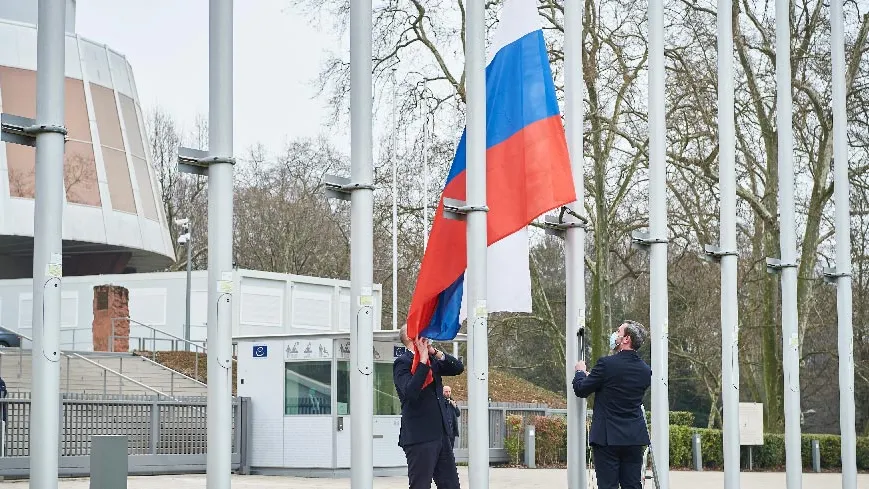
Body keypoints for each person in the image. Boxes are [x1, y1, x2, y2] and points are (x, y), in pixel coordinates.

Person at [573, 320, 652, 489]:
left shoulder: (606, 364)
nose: (615, 334)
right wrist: (595, 377)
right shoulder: (645, 370)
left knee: (608, 485)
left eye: (618, 331)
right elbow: (620, 387)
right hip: (633, 437)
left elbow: (581, 390)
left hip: (607, 438)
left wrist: (580, 372)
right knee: (632, 485)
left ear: (626, 339)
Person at [394, 324, 464, 489]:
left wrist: (434, 352)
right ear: (413, 338)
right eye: (423, 334)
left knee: (451, 485)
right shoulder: (402, 363)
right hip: (420, 437)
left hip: (441, 436)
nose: (428, 336)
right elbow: (410, 392)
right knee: (420, 485)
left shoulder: (432, 359)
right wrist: (423, 362)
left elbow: (457, 368)